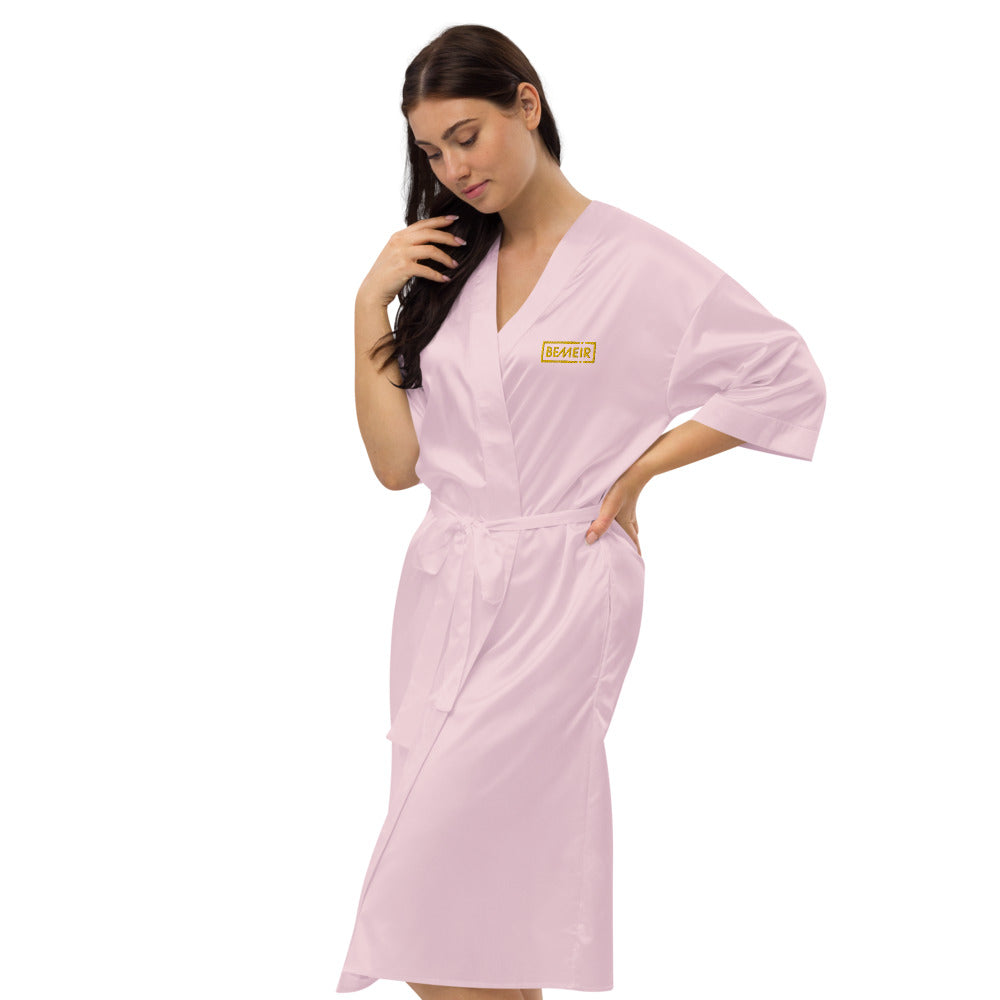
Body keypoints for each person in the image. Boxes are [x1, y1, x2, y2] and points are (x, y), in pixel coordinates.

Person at [338, 24, 826, 1000]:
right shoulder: (448, 266)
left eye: (467, 136)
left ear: (528, 104)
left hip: (565, 586)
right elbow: (397, 466)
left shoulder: (638, 264)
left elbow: (785, 373)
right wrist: (366, 311)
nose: (453, 169)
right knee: (466, 900)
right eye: (431, 152)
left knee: (439, 880)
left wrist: (641, 469)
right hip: (445, 586)